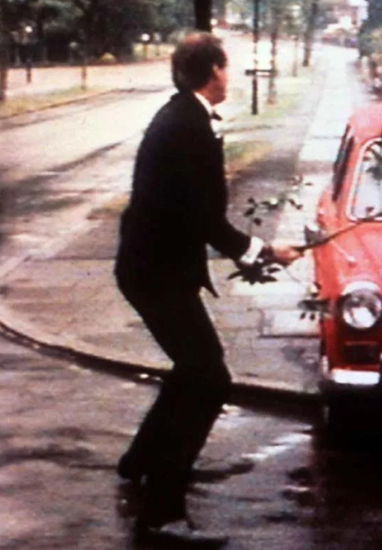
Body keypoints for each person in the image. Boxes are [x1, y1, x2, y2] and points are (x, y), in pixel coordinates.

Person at [114, 32, 302, 544]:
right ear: (214, 70)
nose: (229, 75)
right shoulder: (187, 128)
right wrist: (264, 251)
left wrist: (257, 251)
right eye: (226, 66)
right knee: (209, 380)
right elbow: (203, 219)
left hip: (153, 268)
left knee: (193, 369)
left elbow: (194, 214)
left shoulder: (183, 117)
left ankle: (140, 461)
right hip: (156, 274)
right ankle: (162, 512)